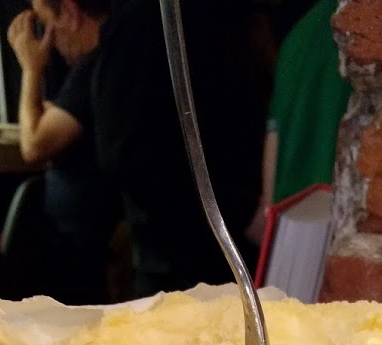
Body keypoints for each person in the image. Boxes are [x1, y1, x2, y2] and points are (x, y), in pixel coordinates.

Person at [89, 0, 271, 296]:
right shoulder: (146, 21)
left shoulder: (228, 16)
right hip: (183, 260)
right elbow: (125, 153)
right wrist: (241, 210)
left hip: (233, 246)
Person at [7, 0, 121, 303]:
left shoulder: (95, 66)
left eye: (46, 24)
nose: (49, 42)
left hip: (84, 250)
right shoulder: (114, 62)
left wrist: (31, 68)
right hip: (94, 239)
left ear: (70, 14)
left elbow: (33, 145)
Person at [263, 0, 352, 207]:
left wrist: (268, 209)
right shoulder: (368, 34)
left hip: (292, 209)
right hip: (347, 206)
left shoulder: (299, 36)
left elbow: (274, 131)